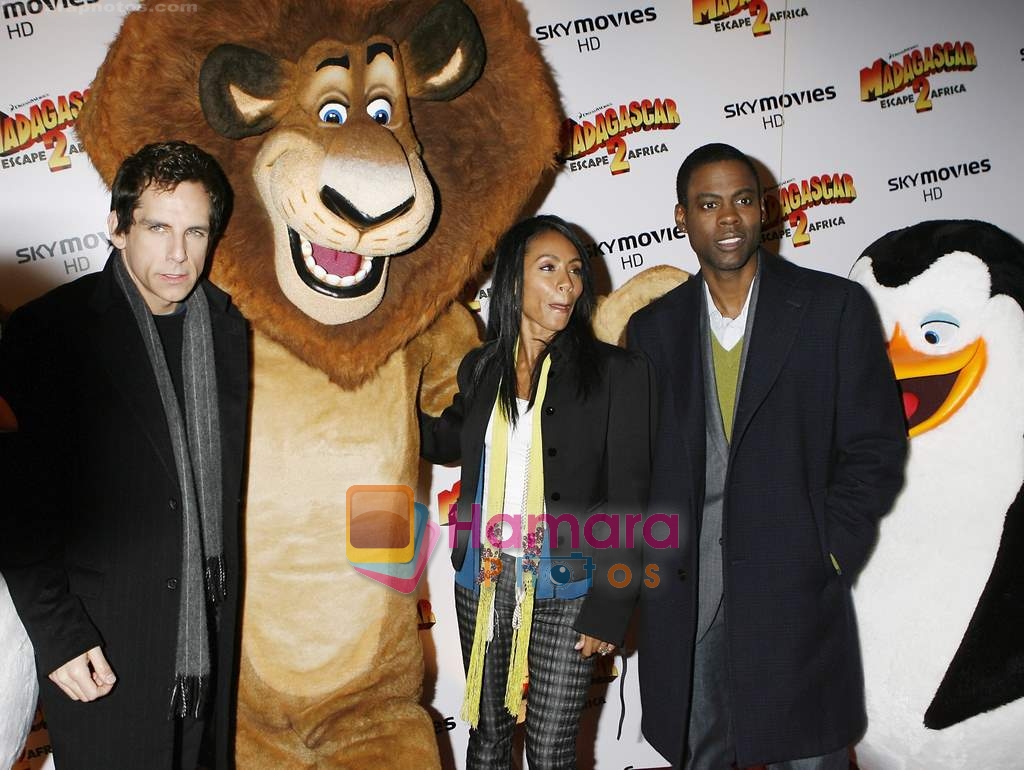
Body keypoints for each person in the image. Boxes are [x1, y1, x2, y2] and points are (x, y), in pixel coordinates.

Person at [627, 143, 907, 770]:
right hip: (685, 599)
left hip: (795, 590)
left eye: (743, 201)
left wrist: (832, 547)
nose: (728, 219)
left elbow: (876, 444)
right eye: (708, 204)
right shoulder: (652, 330)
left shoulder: (832, 309)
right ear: (681, 218)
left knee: (809, 754)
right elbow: (637, 469)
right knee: (698, 753)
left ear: (764, 211)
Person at [0, 141, 249, 770]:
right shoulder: (50, 331)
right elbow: (16, 507)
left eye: (195, 231)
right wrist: (59, 635)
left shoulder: (225, 328)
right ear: (116, 227)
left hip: (208, 639)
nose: (177, 253)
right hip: (103, 637)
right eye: (158, 227)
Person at [420, 214, 654, 769]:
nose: (567, 284)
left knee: (551, 753)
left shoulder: (618, 373)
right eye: (548, 269)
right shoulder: (481, 368)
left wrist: (612, 605)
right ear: (512, 282)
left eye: (574, 271)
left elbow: (630, 496)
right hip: (483, 577)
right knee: (489, 739)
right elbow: (444, 440)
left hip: (571, 586)